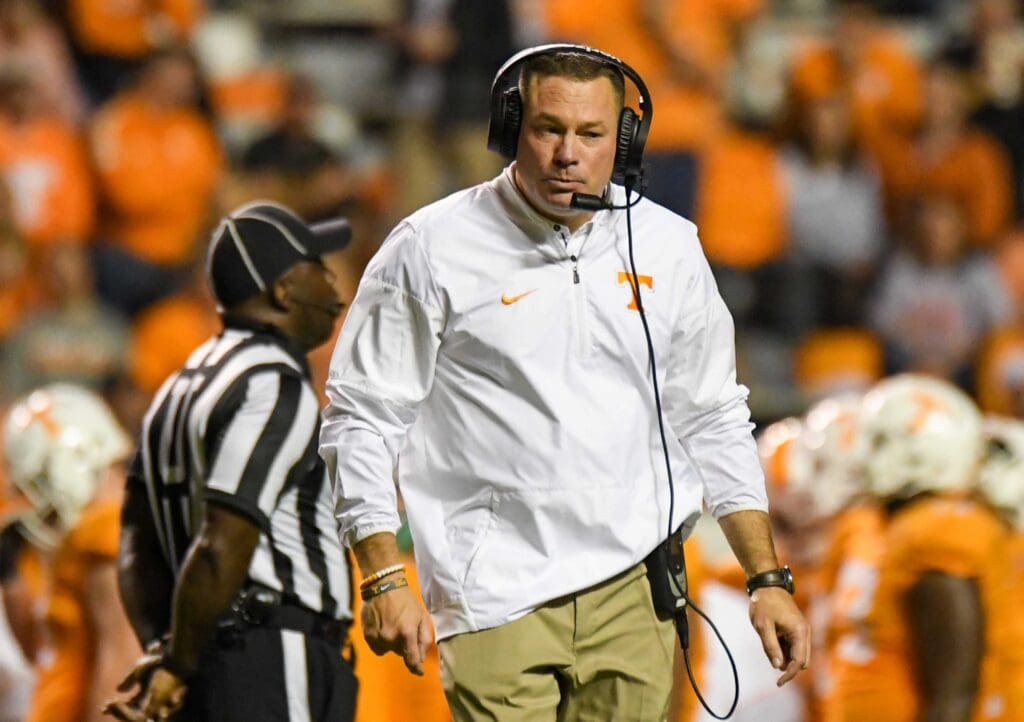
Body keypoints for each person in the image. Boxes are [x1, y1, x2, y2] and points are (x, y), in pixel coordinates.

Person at [320, 45, 810, 720]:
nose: (566, 154)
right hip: (494, 591)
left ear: (626, 141)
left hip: (635, 588)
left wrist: (767, 578)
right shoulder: (429, 248)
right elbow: (362, 416)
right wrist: (379, 575)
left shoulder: (668, 247)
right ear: (510, 129)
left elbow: (714, 416)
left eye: (591, 134)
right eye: (548, 129)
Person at [103, 201, 356, 722]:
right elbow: (222, 541)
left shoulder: (177, 388)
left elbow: (135, 552)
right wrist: (178, 660)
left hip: (214, 657)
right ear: (281, 289)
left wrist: (168, 650)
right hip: (270, 654)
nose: (336, 286)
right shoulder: (270, 385)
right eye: (318, 268)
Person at [1, 383, 140, 722]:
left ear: (72, 458)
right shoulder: (83, 534)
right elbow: (46, 652)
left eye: (39, 484)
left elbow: (120, 665)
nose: (36, 508)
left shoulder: (103, 528)